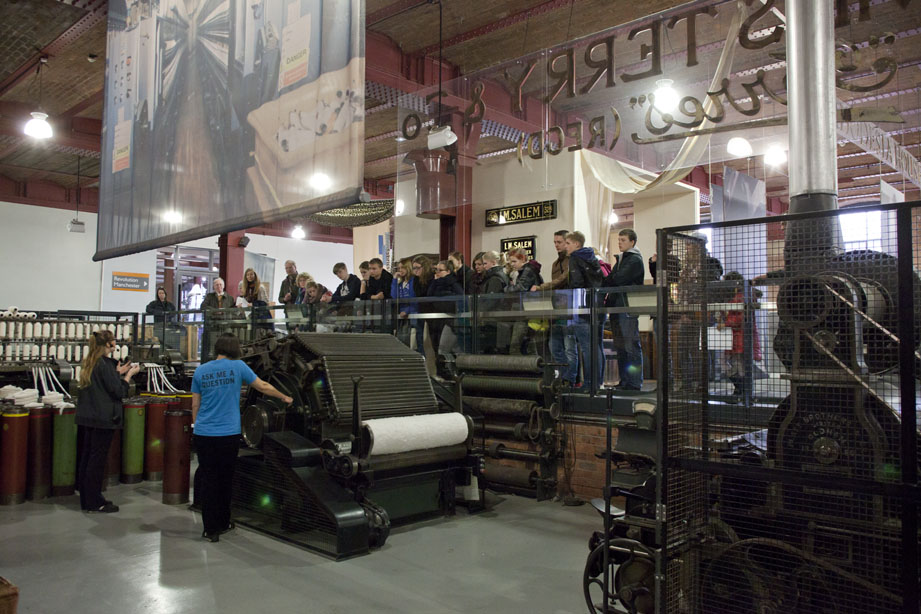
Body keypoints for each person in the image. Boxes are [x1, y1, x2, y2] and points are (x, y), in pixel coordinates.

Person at [192, 333, 293, 542]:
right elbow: (263, 386)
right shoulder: (238, 367)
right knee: (225, 479)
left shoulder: (201, 370)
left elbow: (195, 404)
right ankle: (223, 522)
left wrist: (197, 426)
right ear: (235, 348)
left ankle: (210, 529)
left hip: (204, 434)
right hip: (227, 434)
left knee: (209, 480)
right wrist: (284, 396)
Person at [75, 330, 140, 513]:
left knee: (87, 458)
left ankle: (87, 499)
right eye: (113, 342)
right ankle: (95, 502)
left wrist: (117, 372)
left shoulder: (91, 361)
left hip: (89, 418)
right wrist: (128, 376)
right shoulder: (104, 364)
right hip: (103, 419)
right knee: (96, 462)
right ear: (109, 344)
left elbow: (103, 383)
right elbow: (118, 391)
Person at [604, 229, 645, 391]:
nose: (619, 242)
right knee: (621, 346)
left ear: (632, 242)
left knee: (630, 346)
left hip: (627, 307)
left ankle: (634, 382)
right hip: (617, 306)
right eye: (619, 240)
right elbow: (611, 279)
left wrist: (610, 279)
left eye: (623, 240)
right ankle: (625, 380)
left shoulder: (634, 260)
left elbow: (618, 279)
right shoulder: (622, 259)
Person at [531, 230, 573, 381]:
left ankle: (570, 379)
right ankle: (562, 377)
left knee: (569, 347)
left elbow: (562, 279)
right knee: (554, 346)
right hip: (557, 307)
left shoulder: (572, 261)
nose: (556, 245)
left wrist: (541, 287)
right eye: (554, 242)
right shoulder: (556, 263)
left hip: (569, 307)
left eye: (559, 242)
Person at [566, 231, 604, 388]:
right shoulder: (592, 257)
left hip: (583, 308)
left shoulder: (575, 258)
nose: (566, 247)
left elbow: (577, 283)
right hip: (598, 306)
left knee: (587, 348)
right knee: (597, 347)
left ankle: (589, 385)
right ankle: (597, 383)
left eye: (568, 243)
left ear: (576, 244)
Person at [720, 272, 763, 403]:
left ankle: (742, 392)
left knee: (735, 364)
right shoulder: (745, 295)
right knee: (737, 365)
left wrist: (725, 323)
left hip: (739, 336)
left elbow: (740, 318)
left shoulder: (741, 297)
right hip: (740, 336)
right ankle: (742, 392)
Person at [505, 248, 543, 355]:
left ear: (522, 259)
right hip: (529, 312)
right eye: (511, 261)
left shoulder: (527, 271)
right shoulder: (528, 270)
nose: (512, 264)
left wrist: (506, 289)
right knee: (530, 345)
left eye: (514, 261)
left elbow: (520, 288)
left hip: (526, 313)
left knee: (515, 346)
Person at [391, 258, 420, 351]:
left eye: (403, 267)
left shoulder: (414, 281)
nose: (400, 270)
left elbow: (414, 299)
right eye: (399, 268)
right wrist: (394, 280)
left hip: (413, 315)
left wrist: (407, 311)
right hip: (401, 317)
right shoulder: (400, 284)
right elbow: (394, 297)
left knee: (413, 343)